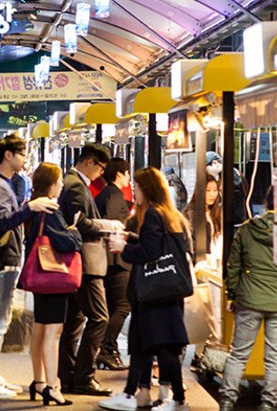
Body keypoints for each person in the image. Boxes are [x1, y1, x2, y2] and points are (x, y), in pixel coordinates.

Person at [0, 134, 58, 399]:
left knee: (0, 320)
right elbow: (3, 220)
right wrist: (30, 207)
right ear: (7, 155)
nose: (24, 159)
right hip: (0, 260)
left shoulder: (0, 183)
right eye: (21, 153)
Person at [99, 167, 192, 411]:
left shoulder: (152, 215)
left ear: (147, 189)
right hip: (164, 290)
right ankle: (132, 394)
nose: (134, 191)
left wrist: (123, 248)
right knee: (144, 344)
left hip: (154, 292)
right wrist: (131, 236)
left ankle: (178, 400)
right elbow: (161, 246)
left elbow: (151, 252)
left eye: (137, 187)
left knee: (162, 346)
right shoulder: (170, 216)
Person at [220, 187, 277, 411]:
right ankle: (268, 404)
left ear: (266, 202)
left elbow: (233, 266)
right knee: (274, 356)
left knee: (239, 354)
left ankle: (227, 401)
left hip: (248, 299)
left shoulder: (248, 230)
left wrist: (232, 295)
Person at [57, 143, 120, 396]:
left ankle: (70, 375)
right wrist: (109, 225)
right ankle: (84, 376)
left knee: (75, 320)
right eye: (101, 168)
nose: (101, 174)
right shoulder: (74, 184)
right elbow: (79, 223)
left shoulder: (72, 181)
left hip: (80, 262)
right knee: (99, 318)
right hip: (86, 261)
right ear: (91, 162)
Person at [25, 162, 81, 407]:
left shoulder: (35, 208)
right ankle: (52, 386)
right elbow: (67, 243)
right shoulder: (50, 209)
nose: (61, 185)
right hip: (54, 277)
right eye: (58, 181)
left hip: (39, 276)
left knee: (40, 329)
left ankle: (38, 382)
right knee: (53, 332)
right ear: (50, 184)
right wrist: (75, 231)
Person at [95, 158, 132, 371]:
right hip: (115, 260)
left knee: (111, 307)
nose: (129, 178)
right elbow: (110, 224)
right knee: (123, 306)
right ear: (119, 173)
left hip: (108, 259)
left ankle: (108, 349)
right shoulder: (115, 195)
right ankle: (107, 349)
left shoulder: (106, 194)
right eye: (127, 173)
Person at [185, 178, 223, 261]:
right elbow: (191, 244)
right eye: (208, 190)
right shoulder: (192, 213)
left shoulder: (215, 212)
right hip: (201, 264)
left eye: (215, 190)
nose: (212, 194)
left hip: (215, 261)